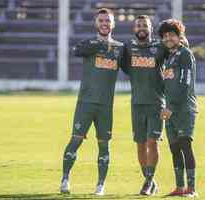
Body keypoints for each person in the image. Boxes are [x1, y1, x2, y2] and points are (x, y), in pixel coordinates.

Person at [60, 8, 126, 196]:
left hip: (106, 106)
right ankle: (65, 178)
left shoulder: (120, 48)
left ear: (113, 24)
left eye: (108, 21)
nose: (105, 24)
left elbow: (133, 68)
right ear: (96, 24)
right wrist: (96, 45)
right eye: (101, 21)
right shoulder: (90, 44)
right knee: (75, 140)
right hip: (86, 103)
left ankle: (100, 185)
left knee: (104, 144)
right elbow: (75, 51)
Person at [123, 15, 167, 195]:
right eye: (138, 25)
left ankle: (148, 182)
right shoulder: (128, 48)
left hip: (156, 104)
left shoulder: (160, 46)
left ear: (151, 28)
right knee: (140, 144)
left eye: (145, 25)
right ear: (134, 29)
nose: (142, 28)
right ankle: (150, 181)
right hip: (137, 104)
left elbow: (177, 53)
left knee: (152, 142)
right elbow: (125, 68)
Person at [158, 19, 199, 197]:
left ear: (179, 36)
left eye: (171, 35)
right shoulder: (169, 57)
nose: (168, 38)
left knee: (185, 145)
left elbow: (185, 83)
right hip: (170, 109)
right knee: (174, 148)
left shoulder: (184, 54)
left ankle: (191, 189)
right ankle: (179, 187)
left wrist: (171, 107)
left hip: (183, 109)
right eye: (165, 35)